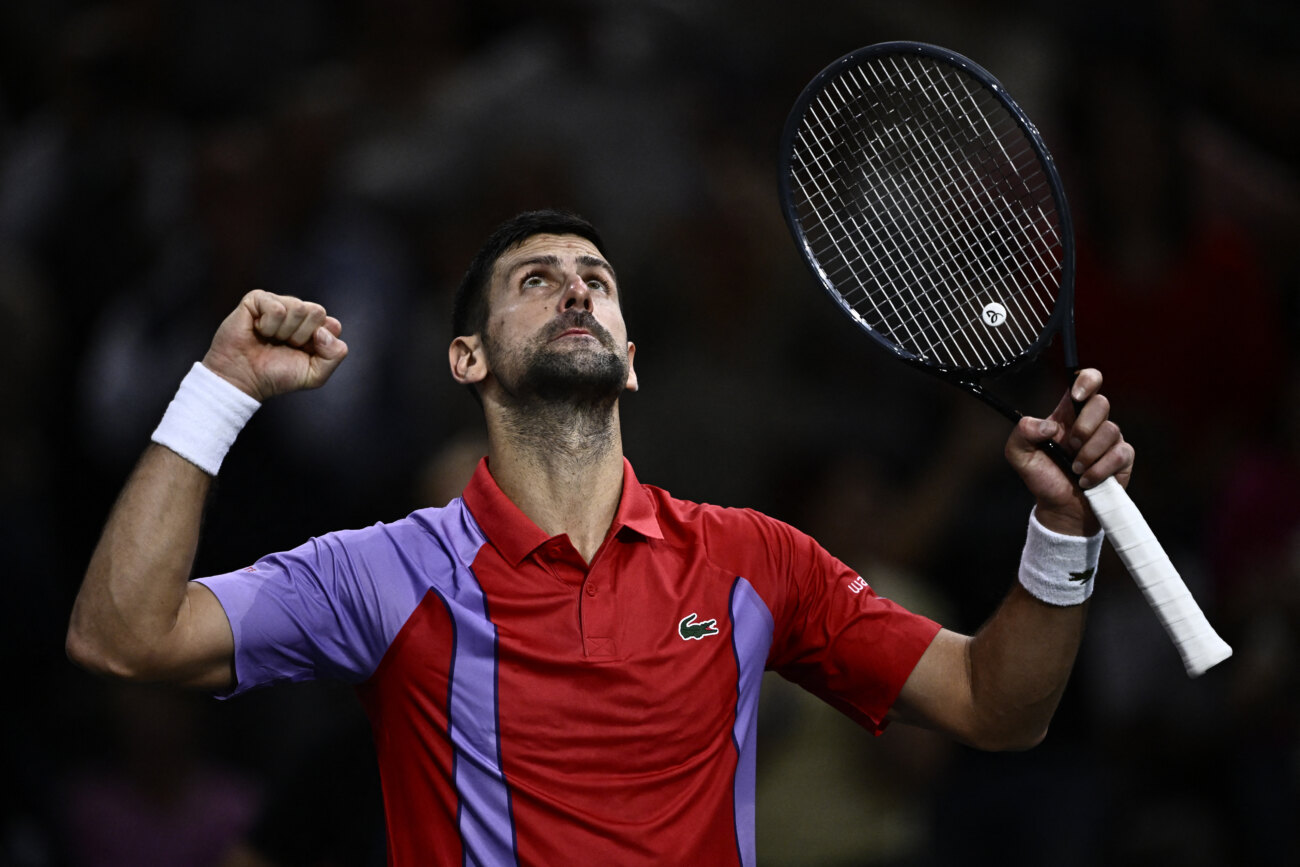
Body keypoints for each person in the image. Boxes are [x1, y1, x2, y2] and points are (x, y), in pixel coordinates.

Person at [68, 209, 1134, 866]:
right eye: (535, 280)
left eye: (597, 280)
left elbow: (996, 708)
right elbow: (123, 636)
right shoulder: (380, 574)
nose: (576, 285)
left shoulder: (753, 560)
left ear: (629, 359)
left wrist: (1060, 524)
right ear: (467, 360)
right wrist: (218, 391)